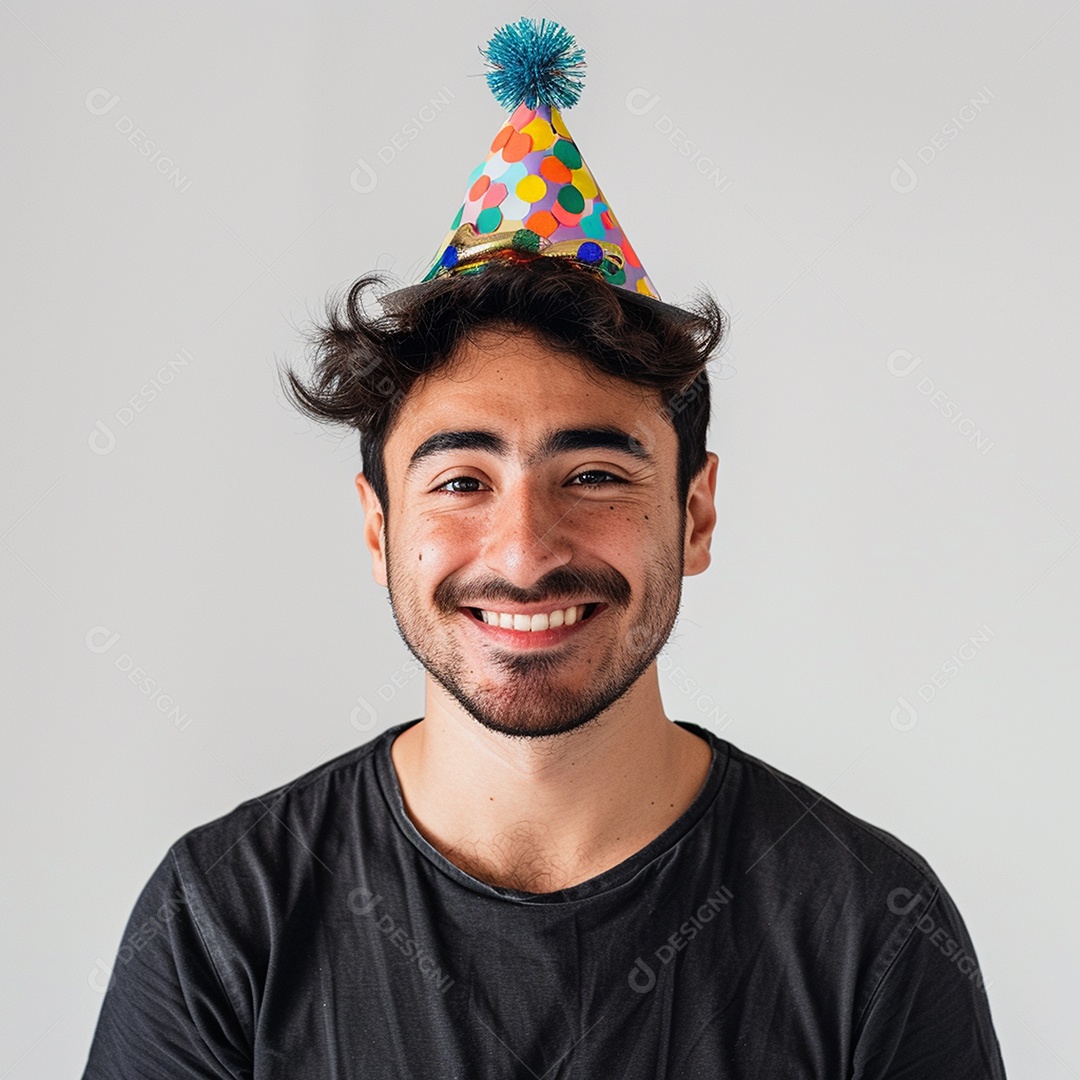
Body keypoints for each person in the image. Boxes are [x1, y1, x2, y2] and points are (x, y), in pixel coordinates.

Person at [81, 19, 1007, 1079]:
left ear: (695, 516)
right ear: (380, 528)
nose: (524, 553)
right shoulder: (222, 923)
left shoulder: (872, 933)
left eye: (597, 478)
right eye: (462, 482)